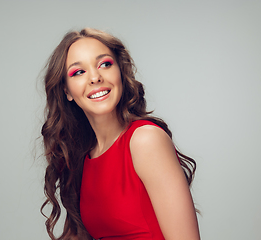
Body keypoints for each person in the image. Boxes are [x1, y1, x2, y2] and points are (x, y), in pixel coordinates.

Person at [41, 28, 200, 240]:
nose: (95, 77)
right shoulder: (82, 158)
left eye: (105, 64)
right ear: (67, 91)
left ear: (121, 73)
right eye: (78, 72)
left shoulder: (146, 140)